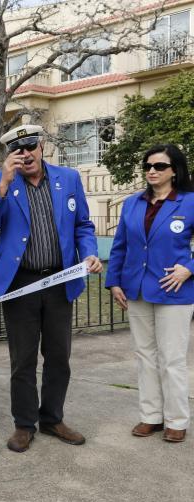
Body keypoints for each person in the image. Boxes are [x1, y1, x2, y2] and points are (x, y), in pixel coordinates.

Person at [0, 124, 101, 453]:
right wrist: (2, 185)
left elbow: (83, 225)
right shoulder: (0, 182)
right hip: (21, 283)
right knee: (23, 359)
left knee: (59, 356)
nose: (25, 154)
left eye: (30, 146)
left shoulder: (68, 179)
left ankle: (52, 418)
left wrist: (89, 253)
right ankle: (24, 424)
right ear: (9, 156)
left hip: (60, 281)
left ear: (42, 146)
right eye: (17, 150)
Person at [105, 145, 194, 443]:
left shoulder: (189, 202)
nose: (151, 170)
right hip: (137, 288)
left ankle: (177, 420)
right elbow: (120, 246)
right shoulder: (132, 203)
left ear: (174, 170)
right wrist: (114, 282)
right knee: (145, 356)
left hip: (175, 291)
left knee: (172, 359)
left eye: (159, 165)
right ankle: (151, 416)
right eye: (147, 165)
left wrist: (189, 268)